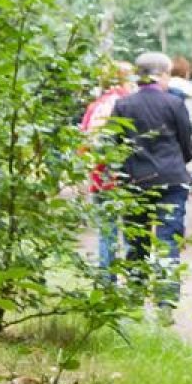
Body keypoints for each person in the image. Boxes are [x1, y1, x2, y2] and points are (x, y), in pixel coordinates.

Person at [112, 52, 192, 316]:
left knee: (136, 241)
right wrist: (178, 163)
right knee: (167, 241)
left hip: (135, 180)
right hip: (171, 181)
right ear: (160, 75)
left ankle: (135, 298)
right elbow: (186, 143)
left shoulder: (123, 106)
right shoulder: (174, 103)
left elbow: (117, 145)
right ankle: (165, 302)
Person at [82, 61, 134, 282]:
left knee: (107, 231)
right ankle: (134, 279)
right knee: (132, 230)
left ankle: (106, 280)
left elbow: (83, 142)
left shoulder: (95, 106)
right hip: (129, 174)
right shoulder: (129, 102)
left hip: (100, 175)